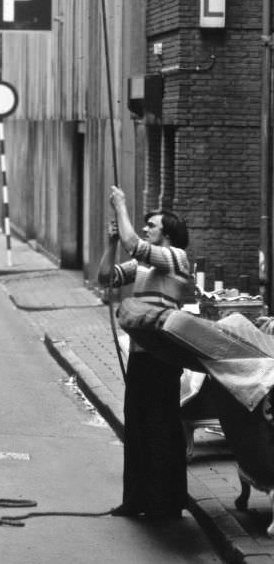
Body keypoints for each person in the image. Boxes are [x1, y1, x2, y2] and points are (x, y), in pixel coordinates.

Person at [97, 186, 192, 521]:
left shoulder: (177, 258)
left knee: (162, 427)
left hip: (164, 358)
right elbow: (106, 278)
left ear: (166, 233)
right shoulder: (142, 267)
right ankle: (135, 499)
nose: (146, 228)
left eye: (152, 225)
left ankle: (165, 502)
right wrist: (110, 243)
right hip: (140, 355)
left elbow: (135, 243)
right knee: (136, 426)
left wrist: (121, 204)